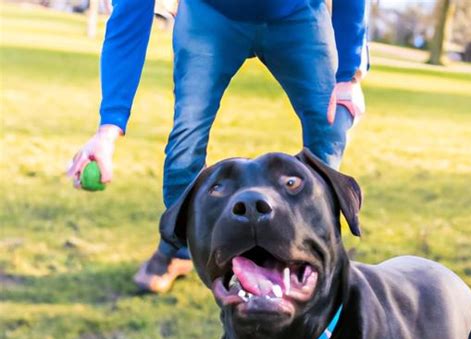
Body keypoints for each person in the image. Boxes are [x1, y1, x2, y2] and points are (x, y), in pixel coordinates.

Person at [68, 0, 368, 293]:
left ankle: (302, 252)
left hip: (297, 14)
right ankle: (178, 250)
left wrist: (349, 73)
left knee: (330, 128)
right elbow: (131, 13)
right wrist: (109, 128)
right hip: (209, 14)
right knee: (186, 139)